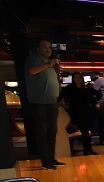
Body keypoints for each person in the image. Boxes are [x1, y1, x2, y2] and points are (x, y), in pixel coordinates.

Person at [24, 39, 64, 170]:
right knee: (42, 133)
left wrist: (59, 96)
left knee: (52, 132)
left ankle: (51, 159)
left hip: (52, 102)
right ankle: (45, 162)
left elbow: (54, 81)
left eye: (49, 47)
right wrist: (48, 64)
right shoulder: (33, 59)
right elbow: (31, 71)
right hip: (39, 103)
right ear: (38, 49)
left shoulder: (50, 63)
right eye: (44, 47)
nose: (48, 49)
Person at [58, 71, 102, 155]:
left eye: (79, 77)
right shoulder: (71, 88)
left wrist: (92, 103)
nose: (78, 79)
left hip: (86, 112)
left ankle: (88, 149)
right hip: (77, 113)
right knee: (85, 131)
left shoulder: (85, 89)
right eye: (76, 77)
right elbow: (61, 96)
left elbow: (99, 94)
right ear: (73, 79)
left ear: (82, 79)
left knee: (86, 131)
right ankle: (87, 149)